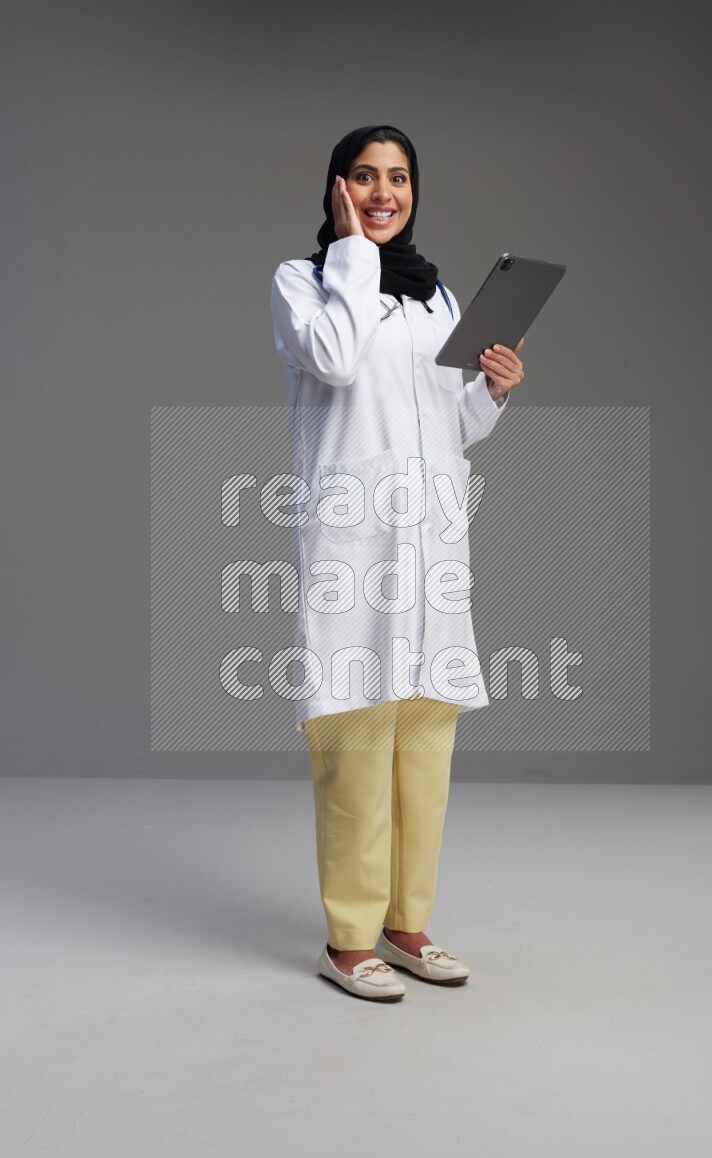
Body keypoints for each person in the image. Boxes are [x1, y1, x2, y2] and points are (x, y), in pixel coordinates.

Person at [270, 125, 524, 1002]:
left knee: (424, 747)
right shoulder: (305, 282)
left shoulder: (438, 297)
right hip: (353, 549)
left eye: (400, 178)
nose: (386, 193)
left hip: (431, 547)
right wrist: (350, 253)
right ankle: (347, 939)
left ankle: (406, 923)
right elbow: (336, 362)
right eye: (367, 179)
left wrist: (490, 388)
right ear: (338, 188)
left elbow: (448, 426)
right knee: (353, 743)